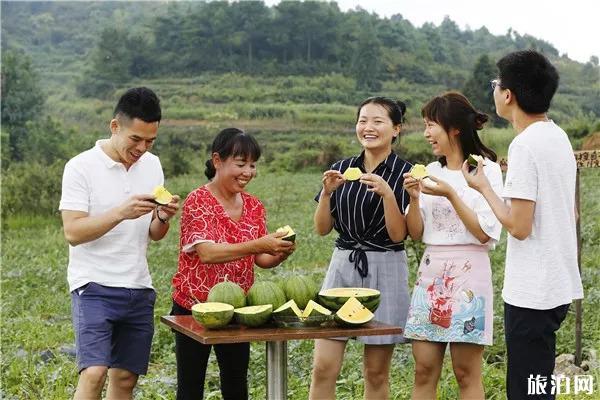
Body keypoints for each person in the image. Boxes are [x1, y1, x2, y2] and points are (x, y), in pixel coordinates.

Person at [462, 50, 584, 399]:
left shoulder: (524, 146)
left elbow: (519, 226)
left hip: (533, 290)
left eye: (496, 83)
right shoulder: (557, 136)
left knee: (527, 389)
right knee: (538, 384)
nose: (495, 89)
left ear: (508, 95)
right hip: (557, 283)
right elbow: (568, 212)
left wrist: (484, 187)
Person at [60, 87, 180, 400]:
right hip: (93, 285)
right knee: (94, 372)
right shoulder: (80, 167)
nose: (142, 148)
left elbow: (153, 233)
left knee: (126, 378)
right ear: (115, 127)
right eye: (135, 139)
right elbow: (73, 232)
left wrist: (163, 217)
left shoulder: (152, 165)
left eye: (150, 140)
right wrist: (120, 213)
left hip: (138, 285)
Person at [170, 127, 295, 400]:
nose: (247, 172)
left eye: (252, 165)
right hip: (194, 306)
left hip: (238, 308)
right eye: (240, 164)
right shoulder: (197, 200)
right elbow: (207, 253)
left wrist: (279, 252)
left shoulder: (254, 206)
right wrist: (259, 244)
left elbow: (260, 259)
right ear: (217, 160)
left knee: (236, 384)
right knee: (190, 388)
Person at [309, 97, 412, 400]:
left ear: (396, 129)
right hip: (343, 265)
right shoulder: (341, 169)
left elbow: (398, 235)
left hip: (387, 266)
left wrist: (388, 195)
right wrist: (327, 195)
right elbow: (322, 228)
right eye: (363, 120)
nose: (368, 127)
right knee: (323, 367)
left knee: (376, 373)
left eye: (378, 121)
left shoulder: (405, 174)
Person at [401, 92, 503, 399]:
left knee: (465, 372)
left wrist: (451, 195)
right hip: (431, 273)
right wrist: (415, 197)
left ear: (454, 128)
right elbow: (416, 232)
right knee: (424, 369)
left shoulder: (486, 170)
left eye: (431, 125)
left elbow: (484, 233)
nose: (426, 133)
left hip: (470, 276)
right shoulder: (430, 171)